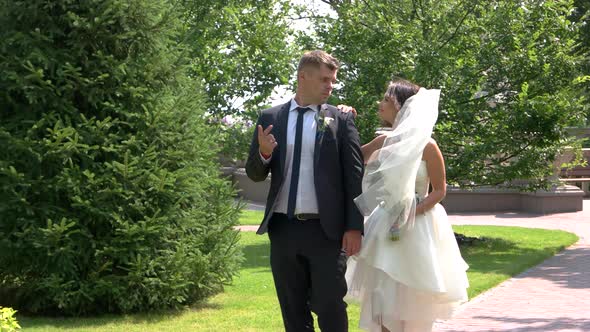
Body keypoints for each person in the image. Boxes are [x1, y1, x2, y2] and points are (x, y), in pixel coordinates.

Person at [245, 50, 365, 331]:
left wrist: (354, 227)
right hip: (283, 230)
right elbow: (254, 172)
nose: (330, 86)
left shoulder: (340, 120)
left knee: (330, 306)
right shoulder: (270, 116)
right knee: (293, 311)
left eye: (333, 81)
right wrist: (263, 154)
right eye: (324, 79)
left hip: (326, 231)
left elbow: (354, 176)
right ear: (303, 76)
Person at [344, 79, 469, 332]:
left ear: (402, 107)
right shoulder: (383, 141)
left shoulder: (428, 145)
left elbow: (440, 190)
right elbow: (348, 158)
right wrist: (343, 118)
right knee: (382, 296)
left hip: (418, 228)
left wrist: (411, 212)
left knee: (410, 298)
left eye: (386, 100)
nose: (380, 104)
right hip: (384, 222)